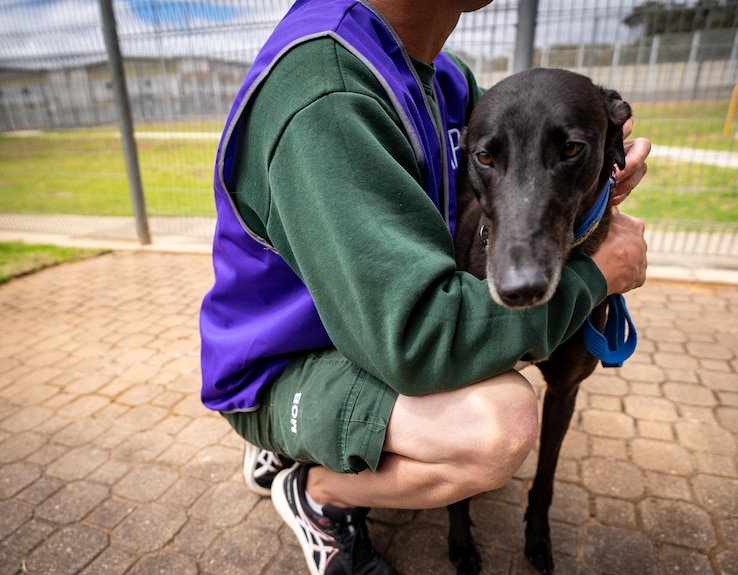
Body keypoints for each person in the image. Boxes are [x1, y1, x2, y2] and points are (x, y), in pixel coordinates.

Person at [199, 0, 650, 573]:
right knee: (494, 426)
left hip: (360, 328)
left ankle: (331, 436)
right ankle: (316, 492)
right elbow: (418, 344)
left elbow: (518, 170)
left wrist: (590, 194)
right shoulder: (327, 95)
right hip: (278, 366)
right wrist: (596, 274)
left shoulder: (446, 75)